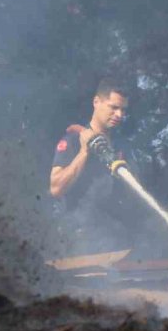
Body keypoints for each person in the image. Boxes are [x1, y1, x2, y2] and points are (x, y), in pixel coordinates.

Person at [49, 78, 131, 254]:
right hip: (79, 238)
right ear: (96, 102)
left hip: (113, 236)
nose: (119, 115)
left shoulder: (120, 148)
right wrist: (84, 152)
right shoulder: (72, 140)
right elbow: (56, 188)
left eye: (123, 110)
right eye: (113, 107)